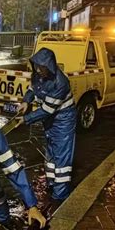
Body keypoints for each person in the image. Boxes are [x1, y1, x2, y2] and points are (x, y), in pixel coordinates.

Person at [17, 48, 76, 201]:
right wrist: (25, 101)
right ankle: (51, 183)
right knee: (50, 151)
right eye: (36, 66)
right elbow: (32, 89)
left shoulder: (60, 82)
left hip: (63, 120)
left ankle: (60, 195)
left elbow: (46, 110)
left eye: (42, 67)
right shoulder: (38, 75)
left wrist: (26, 119)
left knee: (62, 157)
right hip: (50, 119)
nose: (38, 70)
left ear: (49, 66)